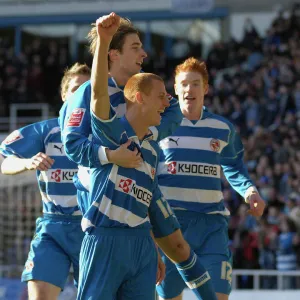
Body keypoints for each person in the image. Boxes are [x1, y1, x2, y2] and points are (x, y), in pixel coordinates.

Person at [61, 13, 217, 300]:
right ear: (113, 54)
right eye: (136, 47)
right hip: (103, 191)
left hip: (142, 175)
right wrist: (110, 155)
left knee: (179, 248)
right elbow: (73, 148)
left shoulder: (140, 89)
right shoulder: (87, 94)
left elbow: (171, 113)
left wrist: (149, 137)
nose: (144, 53)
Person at [155, 57, 266, 300]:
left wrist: (250, 191)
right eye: (183, 83)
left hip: (211, 226)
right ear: (174, 88)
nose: (189, 89)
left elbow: (233, 164)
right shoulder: (158, 124)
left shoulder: (222, 128)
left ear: (206, 88)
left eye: (195, 84)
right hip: (171, 227)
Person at [0, 63, 91, 299]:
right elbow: (5, 163)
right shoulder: (46, 131)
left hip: (94, 230)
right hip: (54, 228)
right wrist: (26, 163)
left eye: (88, 89)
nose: (81, 94)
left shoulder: (106, 134)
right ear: (64, 95)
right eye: (75, 89)